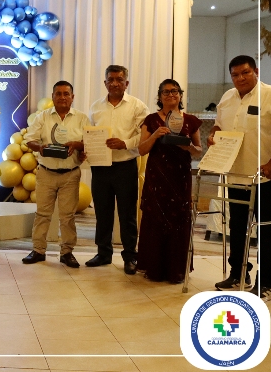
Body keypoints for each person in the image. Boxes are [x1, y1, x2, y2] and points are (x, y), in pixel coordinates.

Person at [210, 55, 271, 301]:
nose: (240, 78)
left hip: (265, 177)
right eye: (235, 74)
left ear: (256, 72)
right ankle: (238, 275)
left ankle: (268, 283)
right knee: (238, 227)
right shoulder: (227, 98)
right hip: (236, 174)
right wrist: (213, 135)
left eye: (245, 72)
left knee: (266, 230)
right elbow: (218, 126)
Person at [136, 79, 202, 283]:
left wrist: (188, 147)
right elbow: (141, 149)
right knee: (155, 219)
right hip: (157, 177)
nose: (170, 94)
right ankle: (154, 268)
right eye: (166, 92)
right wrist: (155, 135)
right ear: (159, 96)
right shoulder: (151, 120)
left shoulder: (190, 120)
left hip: (181, 178)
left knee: (179, 221)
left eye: (174, 91)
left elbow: (199, 152)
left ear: (180, 95)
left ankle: (176, 270)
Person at [85, 65, 148, 274]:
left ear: (126, 83)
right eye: (110, 80)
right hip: (100, 167)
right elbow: (90, 134)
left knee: (127, 214)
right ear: (105, 83)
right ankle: (103, 253)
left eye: (119, 80)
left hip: (125, 166)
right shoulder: (95, 107)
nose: (114, 83)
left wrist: (125, 143)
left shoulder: (137, 106)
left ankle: (130, 256)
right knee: (102, 212)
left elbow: (145, 135)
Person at [21, 80, 86, 267]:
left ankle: (67, 252)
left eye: (66, 94)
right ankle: (38, 250)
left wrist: (77, 145)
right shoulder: (42, 117)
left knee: (68, 216)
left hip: (70, 174)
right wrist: (40, 147)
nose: (62, 97)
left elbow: (89, 142)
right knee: (42, 214)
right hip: (46, 173)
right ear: (52, 96)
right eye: (58, 94)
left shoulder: (82, 118)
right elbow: (29, 139)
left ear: (72, 97)